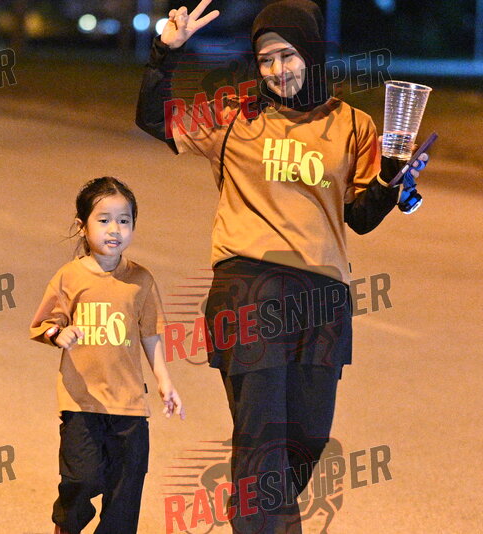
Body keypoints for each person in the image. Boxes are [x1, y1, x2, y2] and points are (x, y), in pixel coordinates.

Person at [136, 0, 430, 532]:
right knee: (262, 438)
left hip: (322, 297)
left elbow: (361, 217)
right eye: (266, 59)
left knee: (306, 440)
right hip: (248, 287)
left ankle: (256, 513)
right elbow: (154, 119)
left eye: (287, 56)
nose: (277, 70)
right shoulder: (235, 115)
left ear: (311, 54)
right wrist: (165, 52)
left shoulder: (352, 124)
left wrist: (393, 179)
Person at [30, 177, 186, 534]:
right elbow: (44, 324)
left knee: (124, 494)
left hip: (129, 406)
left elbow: (150, 333)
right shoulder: (70, 276)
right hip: (81, 402)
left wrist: (165, 382)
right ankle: (66, 526)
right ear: (82, 226)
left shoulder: (140, 279)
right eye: (103, 220)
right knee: (80, 479)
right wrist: (59, 334)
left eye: (124, 220)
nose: (114, 229)